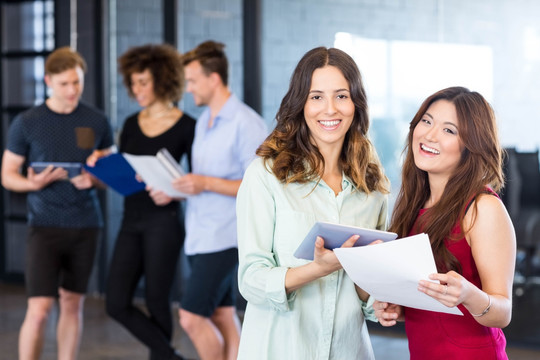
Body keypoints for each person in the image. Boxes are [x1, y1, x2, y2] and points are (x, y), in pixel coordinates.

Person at [235, 47, 389, 359]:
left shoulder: (372, 188)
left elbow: (368, 288)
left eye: (341, 96)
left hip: (348, 350)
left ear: (356, 104)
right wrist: (316, 269)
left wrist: (382, 303)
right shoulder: (267, 175)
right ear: (301, 104)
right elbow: (251, 279)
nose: (329, 109)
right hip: (279, 349)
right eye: (316, 96)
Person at [374, 87, 516, 359]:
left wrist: (468, 295)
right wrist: (399, 309)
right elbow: (433, 306)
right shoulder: (414, 204)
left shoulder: (482, 207)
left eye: (449, 130)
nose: (429, 135)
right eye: (426, 121)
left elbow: (503, 312)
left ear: (470, 145)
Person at [1, 47, 114, 360]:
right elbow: (8, 175)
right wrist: (31, 183)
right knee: (38, 310)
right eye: (64, 84)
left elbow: (111, 175)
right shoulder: (27, 122)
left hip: (85, 225)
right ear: (49, 81)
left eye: (77, 82)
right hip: (44, 225)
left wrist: (94, 179)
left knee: (72, 304)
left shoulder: (97, 121)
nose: (72, 90)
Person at [167, 40, 267, 360]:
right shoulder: (202, 122)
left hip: (226, 237)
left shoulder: (246, 123)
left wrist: (205, 182)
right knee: (223, 314)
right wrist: (176, 187)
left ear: (214, 79)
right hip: (200, 233)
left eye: (192, 81)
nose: (188, 88)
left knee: (191, 317)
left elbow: (259, 186)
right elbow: (201, 181)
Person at [99, 44, 195, 360]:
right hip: (132, 218)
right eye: (133, 82)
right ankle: (170, 355)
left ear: (163, 80)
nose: (136, 89)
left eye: (144, 82)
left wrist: (173, 189)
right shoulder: (129, 124)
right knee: (116, 301)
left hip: (164, 221)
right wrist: (102, 165)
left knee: (157, 301)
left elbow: (198, 183)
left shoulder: (187, 126)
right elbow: (125, 172)